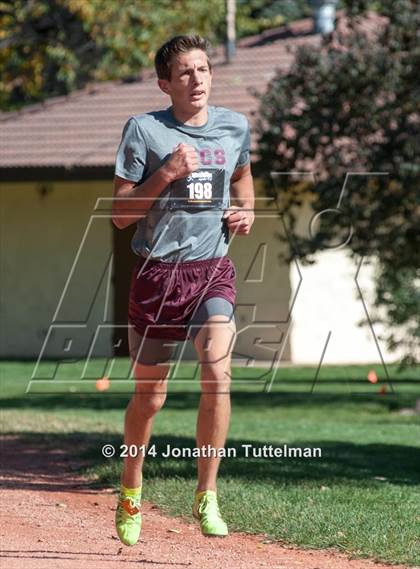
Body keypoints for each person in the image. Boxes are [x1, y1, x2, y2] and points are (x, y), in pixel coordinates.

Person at [112, 34, 255, 545]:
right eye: (185, 73)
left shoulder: (235, 126)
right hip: (157, 276)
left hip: (212, 268)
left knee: (218, 372)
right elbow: (121, 214)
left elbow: (242, 175)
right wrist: (167, 173)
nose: (197, 79)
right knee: (150, 398)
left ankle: (206, 495)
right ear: (164, 83)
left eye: (203, 69)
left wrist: (247, 211)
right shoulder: (145, 131)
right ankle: (131, 487)